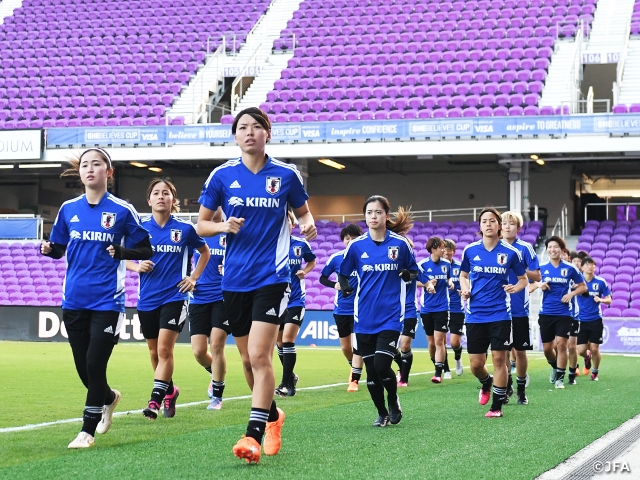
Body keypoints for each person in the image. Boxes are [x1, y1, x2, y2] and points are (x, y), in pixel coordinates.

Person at [197, 107, 316, 464]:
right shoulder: (222, 176)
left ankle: (252, 435)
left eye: (256, 127)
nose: (249, 132)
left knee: (261, 356)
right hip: (233, 280)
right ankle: (273, 415)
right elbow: (201, 226)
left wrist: (308, 224)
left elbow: (304, 212)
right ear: (235, 136)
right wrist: (222, 226)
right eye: (242, 127)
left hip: (273, 277)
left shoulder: (286, 174)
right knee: (248, 362)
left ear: (268, 133)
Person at [40, 148, 152, 448]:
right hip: (74, 300)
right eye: (85, 165)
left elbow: (146, 250)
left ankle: (86, 431)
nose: (90, 169)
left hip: (108, 301)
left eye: (97, 164)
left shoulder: (122, 210)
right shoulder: (67, 209)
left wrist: (123, 252)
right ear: (80, 173)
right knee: (84, 370)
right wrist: (50, 250)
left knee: (94, 365)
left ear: (109, 172)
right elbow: (60, 247)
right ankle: (110, 398)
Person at [127, 179, 210, 420]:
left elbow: (204, 252)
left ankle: (154, 401)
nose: (161, 196)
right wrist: (136, 266)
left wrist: (193, 278)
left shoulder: (185, 230)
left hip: (175, 297)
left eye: (166, 193)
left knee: (164, 349)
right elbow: (123, 256)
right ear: (149, 200)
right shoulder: (140, 229)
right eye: (156, 193)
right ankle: (170, 391)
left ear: (173, 200)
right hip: (147, 300)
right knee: (154, 353)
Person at [339, 195, 418, 427]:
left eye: (378, 212)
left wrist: (407, 275)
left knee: (383, 365)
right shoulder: (356, 246)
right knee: (372, 374)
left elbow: (414, 271)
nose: (373, 216)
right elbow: (343, 273)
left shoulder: (400, 244)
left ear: (386, 215)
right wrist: (345, 288)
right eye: (369, 213)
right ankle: (381, 412)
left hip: (391, 315)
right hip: (363, 316)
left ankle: (393, 400)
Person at [459, 207, 528, 418]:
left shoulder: (511, 253)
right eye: (484, 221)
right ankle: (486, 381)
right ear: (479, 226)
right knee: (476, 365)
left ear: (499, 225)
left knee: (500, 359)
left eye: (492, 221)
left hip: (500, 314)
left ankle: (496, 407)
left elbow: (523, 279)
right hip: (475, 314)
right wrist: (466, 288)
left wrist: (515, 288)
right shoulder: (470, 251)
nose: (488, 224)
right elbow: (463, 275)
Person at [188, 208, 229, 410]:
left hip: (223, 297)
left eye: (217, 205)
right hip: (198, 297)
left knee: (217, 344)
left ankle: (217, 396)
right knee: (198, 351)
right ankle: (217, 372)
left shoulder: (229, 232)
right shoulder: (195, 233)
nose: (213, 209)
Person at [535, 236, 587, 389]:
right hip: (546, 313)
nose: (552, 250)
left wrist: (571, 294)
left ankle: (560, 378)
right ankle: (554, 366)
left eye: (555, 247)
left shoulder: (570, 268)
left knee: (561, 345)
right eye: (550, 247)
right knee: (547, 348)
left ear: (562, 249)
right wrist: (540, 285)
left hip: (565, 313)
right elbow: (530, 284)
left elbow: (583, 286)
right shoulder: (542, 267)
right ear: (547, 250)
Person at [500, 211, 541, 405]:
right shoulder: (492, 248)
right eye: (504, 223)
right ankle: (506, 386)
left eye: (511, 224)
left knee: (520, 351)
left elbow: (537, 276)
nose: (507, 226)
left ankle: (521, 389)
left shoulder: (525, 248)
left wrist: (518, 268)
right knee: (503, 351)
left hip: (519, 309)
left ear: (518, 227)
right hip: (498, 308)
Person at [275, 211, 317, 397]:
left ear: (292, 225)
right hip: (276, 300)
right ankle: (290, 376)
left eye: (288, 222)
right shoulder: (270, 246)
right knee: (279, 341)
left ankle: (286, 384)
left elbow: (312, 261)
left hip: (295, 299)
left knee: (288, 340)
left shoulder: (301, 245)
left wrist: (305, 271)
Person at [319, 223, 364, 392]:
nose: (350, 240)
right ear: (343, 240)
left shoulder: (364, 258)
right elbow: (322, 278)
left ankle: (354, 379)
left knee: (359, 344)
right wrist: (334, 285)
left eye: (353, 238)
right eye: (347, 238)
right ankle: (354, 366)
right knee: (346, 347)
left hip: (361, 308)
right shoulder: (336, 258)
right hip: (341, 309)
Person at [417, 236, 452, 383]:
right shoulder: (422, 265)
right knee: (431, 343)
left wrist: (450, 283)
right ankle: (438, 363)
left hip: (442, 307)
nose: (444, 250)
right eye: (441, 247)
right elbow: (414, 282)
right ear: (433, 249)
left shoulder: (446, 264)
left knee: (439, 342)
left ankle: (438, 373)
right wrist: (427, 284)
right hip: (426, 308)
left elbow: (448, 278)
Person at [576, 256, 611, 381]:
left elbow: (609, 299)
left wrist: (601, 299)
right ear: (582, 267)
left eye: (592, 264)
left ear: (595, 267)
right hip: (581, 320)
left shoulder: (601, 282)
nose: (590, 266)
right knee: (580, 350)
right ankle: (586, 357)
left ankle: (595, 371)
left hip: (595, 319)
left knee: (595, 348)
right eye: (587, 264)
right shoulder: (577, 282)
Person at [394, 235, 418, 387]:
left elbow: (423, 276)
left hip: (409, 310)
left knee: (405, 345)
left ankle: (404, 378)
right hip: (393, 311)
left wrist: (429, 284)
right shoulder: (391, 266)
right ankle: (401, 367)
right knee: (391, 347)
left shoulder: (414, 267)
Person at [443, 239, 465, 376]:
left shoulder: (459, 267)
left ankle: (457, 358)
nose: (446, 253)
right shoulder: (436, 267)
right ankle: (445, 370)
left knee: (454, 341)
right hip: (441, 308)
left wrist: (464, 290)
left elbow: (466, 281)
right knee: (440, 341)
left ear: (453, 252)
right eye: (444, 250)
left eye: (449, 251)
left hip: (457, 308)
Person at [567, 251, 583, 384]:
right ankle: (557, 367)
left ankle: (572, 373)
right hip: (556, 314)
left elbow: (585, 289)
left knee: (572, 347)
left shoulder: (578, 276)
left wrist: (576, 289)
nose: (577, 263)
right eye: (575, 261)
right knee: (555, 346)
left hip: (574, 315)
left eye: (579, 261)